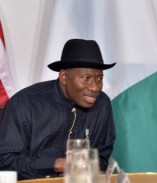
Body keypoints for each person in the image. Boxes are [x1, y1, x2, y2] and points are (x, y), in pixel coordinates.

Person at [0, 39, 116, 179]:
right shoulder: (25, 104)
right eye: (86, 78)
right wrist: (55, 164)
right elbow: (5, 162)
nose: (95, 87)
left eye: (99, 79)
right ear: (64, 77)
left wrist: (94, 166)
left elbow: (101, 159)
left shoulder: (102, 104)